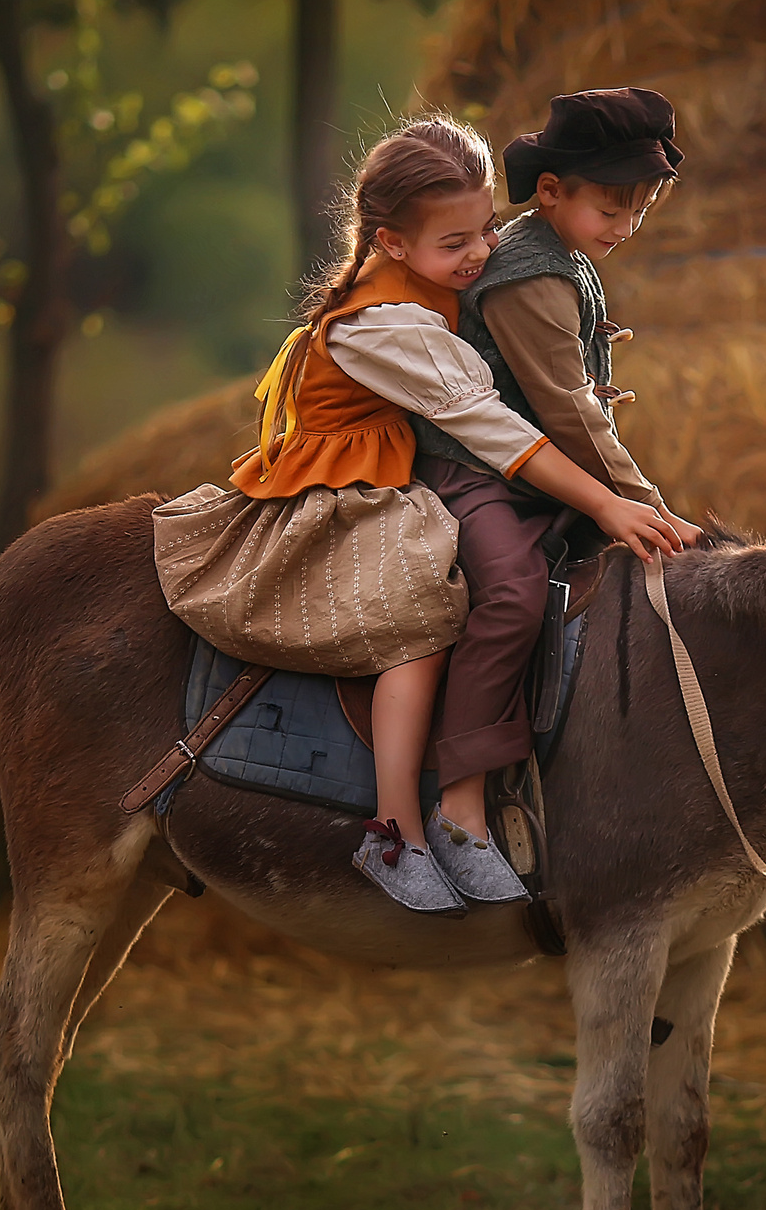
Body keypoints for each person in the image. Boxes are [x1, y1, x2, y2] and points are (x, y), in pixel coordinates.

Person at [227, 115, 682, 915]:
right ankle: (399, 826)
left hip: (408, 462)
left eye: (486, 229)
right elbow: (491, 428)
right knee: (423, 617)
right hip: (353, 487)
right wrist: (610, 500)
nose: (481, 253)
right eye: (455, 243)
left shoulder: (453, 270)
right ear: (392, 243)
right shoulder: (383, 324)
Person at [406, 88, 703, 858]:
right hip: (476, 471)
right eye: (610, 209)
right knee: (513, 592)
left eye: (641, 210)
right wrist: (645, 504)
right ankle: (460, 798)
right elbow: (570, 411)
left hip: (538, 476)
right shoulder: (528, 273)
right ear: (549, 191)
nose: (625, 227)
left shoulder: (569, 252)